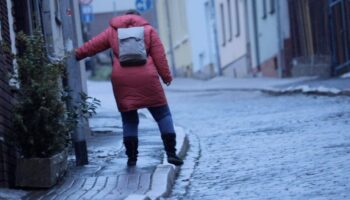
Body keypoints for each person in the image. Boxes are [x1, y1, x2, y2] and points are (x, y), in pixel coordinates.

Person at [75, 10, 183, 166]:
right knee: (162, 115)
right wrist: (166, 77)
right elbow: (160, 56)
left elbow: (93, 46)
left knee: (129, 120)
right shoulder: (149, 30)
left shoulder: (113, 31)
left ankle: (132, 157)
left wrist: (76, 54)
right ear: (139, 18)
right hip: (148, 78)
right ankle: (171, 153)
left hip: (122, 80)